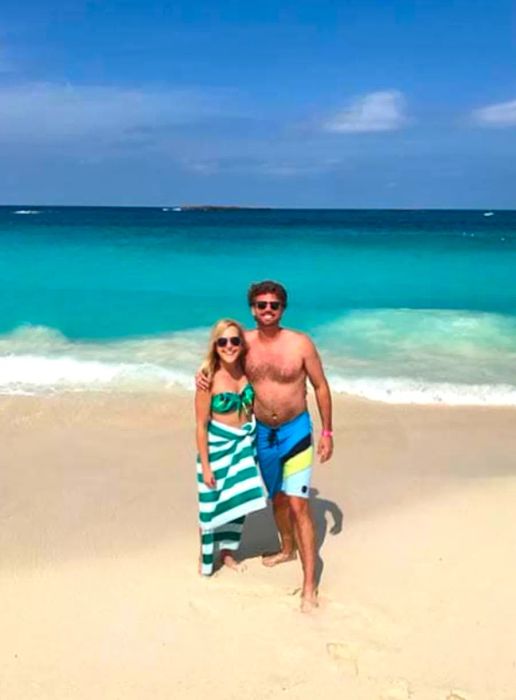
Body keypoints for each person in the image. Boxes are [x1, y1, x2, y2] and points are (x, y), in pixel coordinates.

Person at [197, 281, 333, 611]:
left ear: (283, 308)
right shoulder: (244, 344)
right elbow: (222, 359)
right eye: (261, 305)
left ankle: (308, 586)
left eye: (274, 305)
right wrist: (202, 376)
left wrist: (327, 432)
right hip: (261, 433)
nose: (268, 310)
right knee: (277, 499)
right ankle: (287, 548)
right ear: (253, 309)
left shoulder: (300, 343)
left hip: (296, 430)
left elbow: (321, 387)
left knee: (299, 504)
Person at [195, 318, 267, 576]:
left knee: (237, 503)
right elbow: (201, 426)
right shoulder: (208, 378)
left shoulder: (248, 372)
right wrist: (205, 465)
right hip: (217, 449)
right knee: (210, 506)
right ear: (215, 346)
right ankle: (205, 562)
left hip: (245, 445)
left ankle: (227, 554)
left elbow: (265, 340)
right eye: (222, 341)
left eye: (235, 341)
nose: (229, 346)